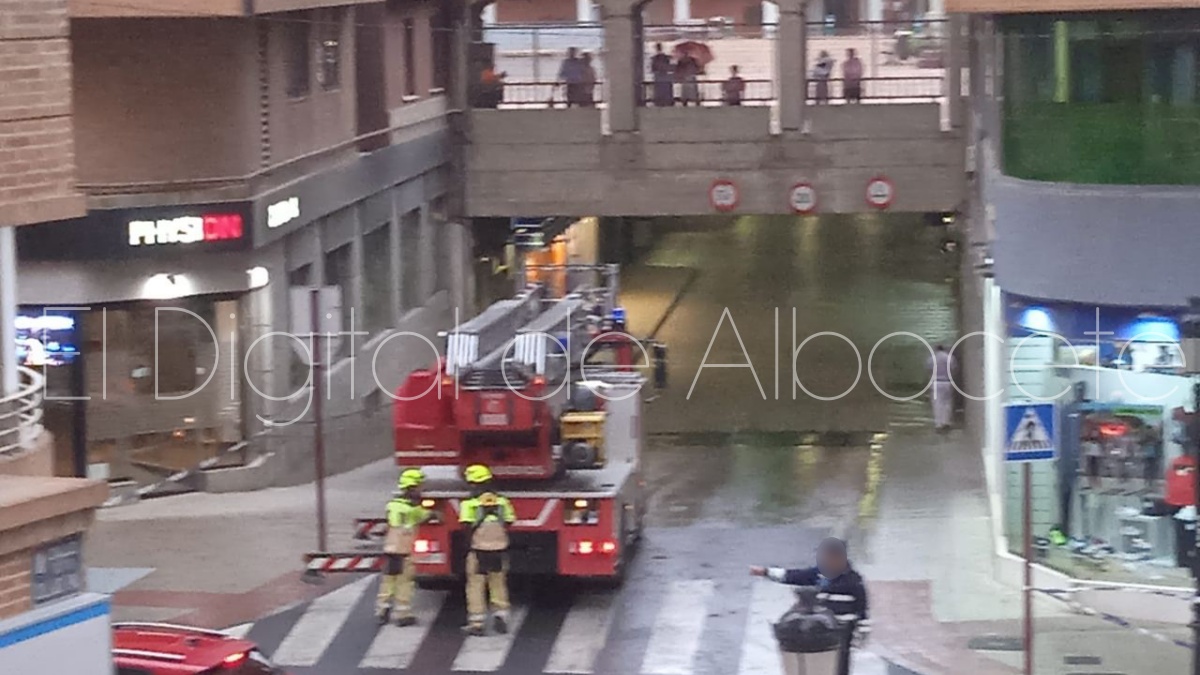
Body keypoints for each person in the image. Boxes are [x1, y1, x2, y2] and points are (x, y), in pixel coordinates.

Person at [751, 537, 869, 675]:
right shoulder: (819, 574)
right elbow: (793, 576)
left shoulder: (853, 580)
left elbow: (862, 609)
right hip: (823, 629)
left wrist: (861, 634)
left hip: (843, 632)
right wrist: (765, 572)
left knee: (840, 667)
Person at [460, 464, 516, 636]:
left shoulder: (469, 504)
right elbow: (509, 521)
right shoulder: (502, 502)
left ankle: (477, 622)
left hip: (478, 551)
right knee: (498, 583)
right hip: (499, 550)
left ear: (474, 484)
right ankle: (501, 616)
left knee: (475, 585)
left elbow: (466, 526)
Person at [376, 468, 431, 626]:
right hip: (405, 551)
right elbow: (425, 516)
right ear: (412, 488)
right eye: (420, 487)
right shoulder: (413, 510)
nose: (422, 490)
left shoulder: (393, 505)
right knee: (405, 582)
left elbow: (392, 521)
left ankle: (382, 610)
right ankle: (403, 614)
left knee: (388, 581)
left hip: (391, 549)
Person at [928, 344, 955, 431]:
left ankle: (938, 423)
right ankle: (946, 421)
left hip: (936, 382)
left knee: (937, 403)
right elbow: (954, 368)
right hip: (947, 382)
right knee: (947, 403)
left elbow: (928, 369)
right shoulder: (949, 358)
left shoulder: (932, 358)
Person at [650, 42, 674, 107]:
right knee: (664, 90)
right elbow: (669, 67)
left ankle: (661, 102)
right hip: (663, 77)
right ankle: (666, 101)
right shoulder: (665, 57)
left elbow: (653, 69)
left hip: (659, 77)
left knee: (661, 90)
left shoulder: (655, 58)